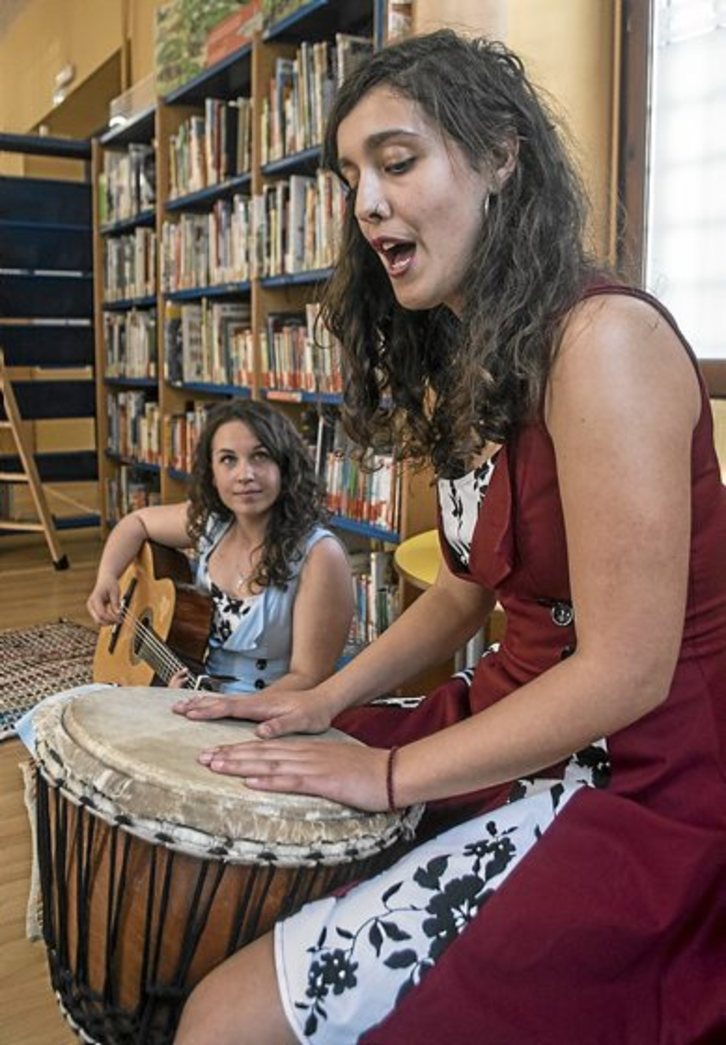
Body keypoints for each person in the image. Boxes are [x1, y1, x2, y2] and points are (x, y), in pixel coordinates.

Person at [172, 30, 726, 1044]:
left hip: (644, 777)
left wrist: (385, 774)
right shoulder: (475, 356)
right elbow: (466, 591)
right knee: (241, 807)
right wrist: (322, 695)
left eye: (397, 161)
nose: (365, 203)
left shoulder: (606, 343)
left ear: (502, 155)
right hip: (517, 717)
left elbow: (629, 671)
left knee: (224, 1020)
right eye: (351, 177)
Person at [87, 398, 354, 695]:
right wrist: (107, 576)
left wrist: (222, 708)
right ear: (212, 474)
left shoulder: (320, 555)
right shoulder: (212, 524)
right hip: (199, 696)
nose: (245, 475)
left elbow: (309, 680)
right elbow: (136, 523)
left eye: (260, 456)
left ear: (285, 465)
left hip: (271, 711)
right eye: (228, 459)